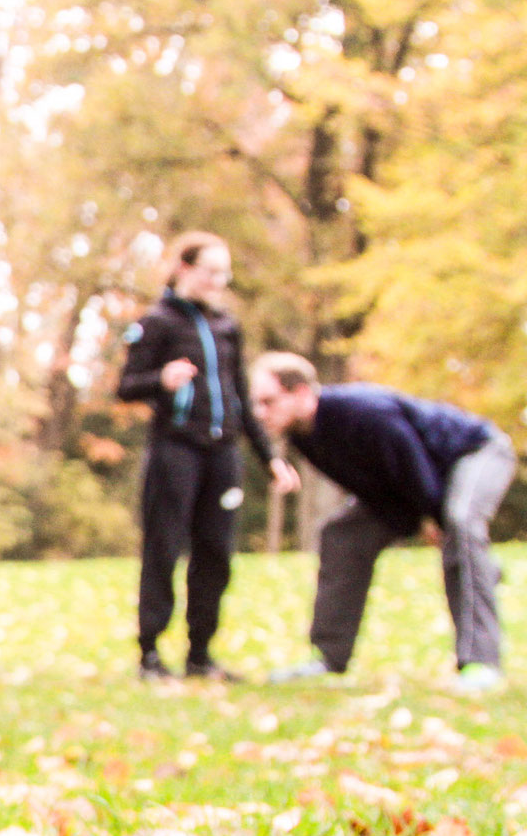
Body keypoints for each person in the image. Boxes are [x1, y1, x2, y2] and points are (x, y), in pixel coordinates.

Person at [248, 353, 515, 691]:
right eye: (257, 403)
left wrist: (435, 520)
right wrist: (413, 520)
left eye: (269, 402)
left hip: (474, 454)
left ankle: (481, 663)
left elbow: (414, 464)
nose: (259, 413)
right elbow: (370, 486)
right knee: (341, 534)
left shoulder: (361, 412)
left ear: (300, 393)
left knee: (461, 522)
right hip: (416, 488)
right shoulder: (304, 435)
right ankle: (329, 658)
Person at [117, 231, 294, 682]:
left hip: (223, 452)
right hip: (175, 448)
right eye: (211, 271)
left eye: (224, 273)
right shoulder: (157, 323)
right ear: (184, 269)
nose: (219, 281)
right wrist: (163, 379)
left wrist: (269, 457)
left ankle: (201, 654)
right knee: (164, 548)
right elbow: (126, 386)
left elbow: (239, 397)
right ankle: (151, 654)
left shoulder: (227, 326)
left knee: (215, 552)